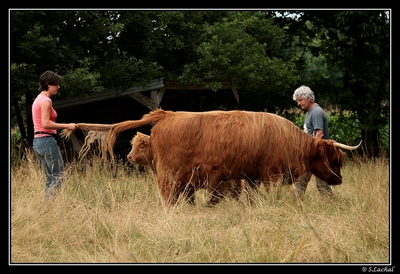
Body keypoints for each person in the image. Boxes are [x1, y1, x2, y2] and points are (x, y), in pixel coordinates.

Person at [32, 70, 78, 201]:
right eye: (56, 84)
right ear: (48, 84)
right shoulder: (46, 101)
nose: (58, 87)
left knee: (50, 177)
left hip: (38, 142)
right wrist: (67, 126)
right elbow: (46, 123)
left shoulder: (38, 99)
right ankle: (49, 204)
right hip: (46, 140)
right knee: (59, 176)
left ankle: (47, 207)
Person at [292, 85, 333, 199]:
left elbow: (319, 134)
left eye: (300, 100)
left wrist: (311, 153)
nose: (299, 104)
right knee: (302, 180)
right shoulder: (311, 112)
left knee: (321, 183)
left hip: (319, 154)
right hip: (313, 153)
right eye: (298, 101)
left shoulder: (316, 112)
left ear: (308, 98)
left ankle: (332, 203)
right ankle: (294, 203)